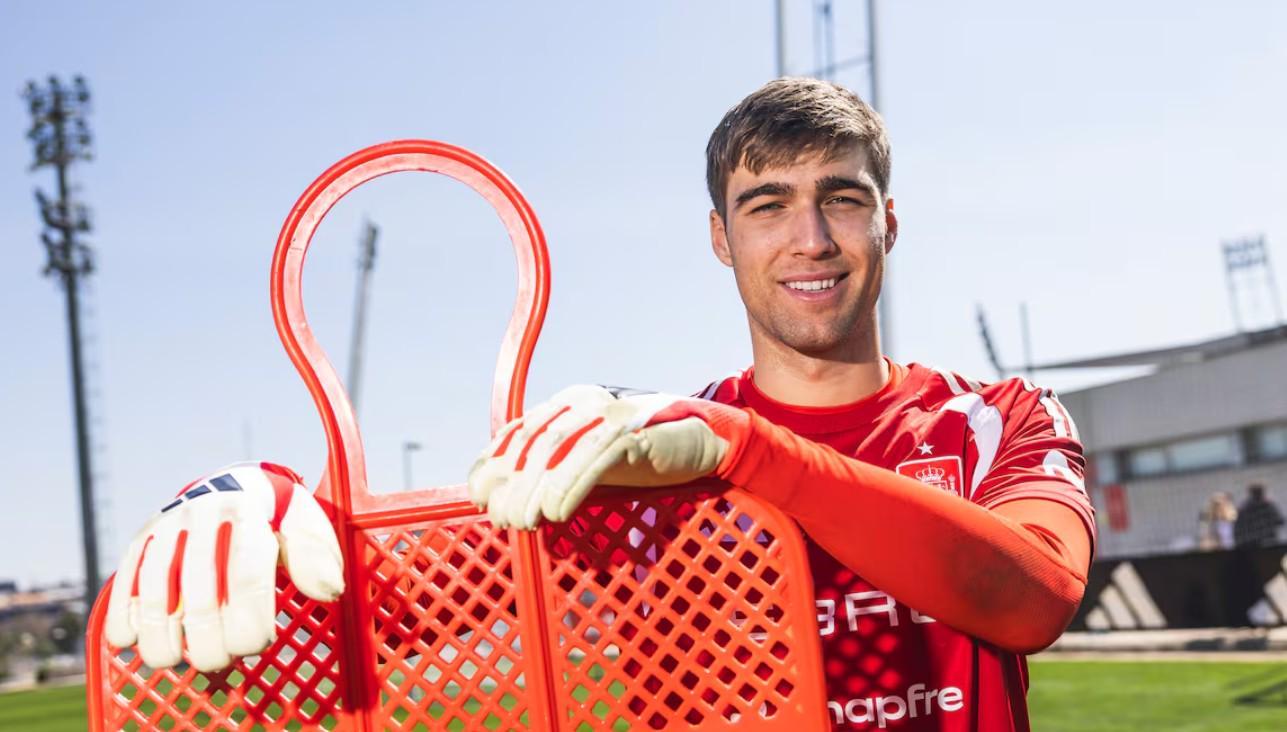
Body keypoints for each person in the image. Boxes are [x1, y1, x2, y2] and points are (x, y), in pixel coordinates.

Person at [106, 79, 1095, 731]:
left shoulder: (999, 417)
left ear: (888, 222)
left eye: (842, 198)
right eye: (766, 205)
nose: (811, 238)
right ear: (720, 238)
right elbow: (373, 623)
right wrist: (268, 519)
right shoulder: (635, 457)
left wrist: (745, 451)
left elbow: (1031, 599)